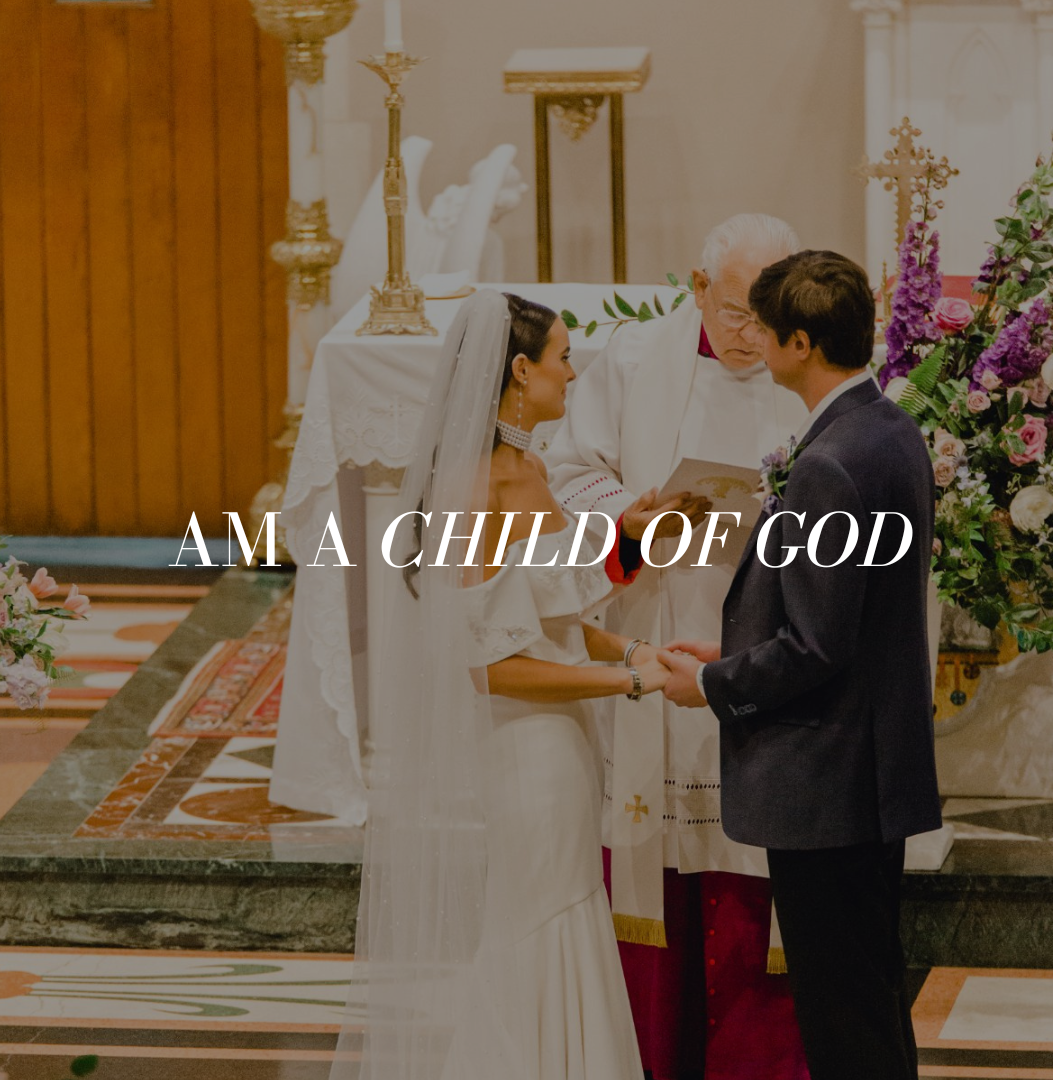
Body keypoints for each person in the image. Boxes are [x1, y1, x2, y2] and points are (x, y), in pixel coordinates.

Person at [333, 289, 673, 1080]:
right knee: (535, 925)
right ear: (521, 371)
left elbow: (547, 614)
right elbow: (490, 666)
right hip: (527, 751)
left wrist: (629, 645)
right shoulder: (480, 486)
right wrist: (619, 682)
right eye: (562, 358)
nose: (574, 373)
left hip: (565, 744)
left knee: (566, 912)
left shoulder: (531, 466)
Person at [659, 250, 941, 1080]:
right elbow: (849, 614)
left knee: (842, 1010)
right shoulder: (888, 429)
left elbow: (818, 646)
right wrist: (740, 647)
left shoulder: (826, 464)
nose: (752, 340)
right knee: (870, 992)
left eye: (765, 327)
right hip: (870, 766)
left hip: (825, 775)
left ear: (803, 344)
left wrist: (712, 683)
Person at [545, 214, 809, 1080]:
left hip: (765, 638)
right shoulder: (628, 363)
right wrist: (629, 516)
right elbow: (569, 472)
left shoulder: (804, 365)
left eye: (767, 312)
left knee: (750, 863)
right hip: (656, 627)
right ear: (696, 289)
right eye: (736, 311)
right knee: (656, 856)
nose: (751, 333)